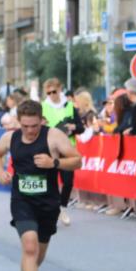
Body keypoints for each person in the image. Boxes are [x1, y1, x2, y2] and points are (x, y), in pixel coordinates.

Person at [0, 99, 83, 271]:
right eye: (25, 126)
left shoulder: (53, 136)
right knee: (29, 246)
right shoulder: (11, 137)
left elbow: (77, 161)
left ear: (42, 120)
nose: (30, 131)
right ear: (19, 122)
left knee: (38, 254)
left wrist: (55, 163)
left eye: (34, 126)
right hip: (22, 201)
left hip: (48, 204)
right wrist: (0, 172)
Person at [41, 77, 83, 226]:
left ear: (60, 89)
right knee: (50, 180)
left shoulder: (69, 106)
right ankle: (51, 208)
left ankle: (62, 208)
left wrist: (73, 127)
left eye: (54, 91)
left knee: (68, 181)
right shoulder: (42, 107)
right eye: (48, 93)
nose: (52, 95)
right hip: (49, 149)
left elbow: (81, 127)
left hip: (67, 149)